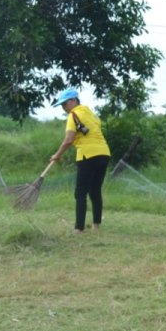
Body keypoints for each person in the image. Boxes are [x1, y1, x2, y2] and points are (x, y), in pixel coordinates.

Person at [50, 88, 111, 233]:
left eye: (65, 104)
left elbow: (69, 140)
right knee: (95, 191)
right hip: (104, 153)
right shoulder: (91, 114)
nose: (64, 108)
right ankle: (96, 225)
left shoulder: (73, 115)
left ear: (73, 101)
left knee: (80, 193)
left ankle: (79, 228)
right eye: (62, 105)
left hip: (87, 155)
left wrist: (57, 155)